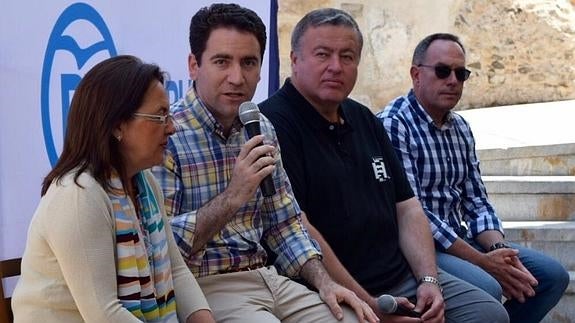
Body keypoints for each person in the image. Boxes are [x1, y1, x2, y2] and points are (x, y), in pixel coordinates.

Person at [260, 8, 509, 323]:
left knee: (488, 314)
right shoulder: (274, 124)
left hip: (400, 276)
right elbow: (299, 227)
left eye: (347, 57)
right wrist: (372, 306)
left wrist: (428, 281)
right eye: (323, 54)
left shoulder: (363, 117)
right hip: (334, 290)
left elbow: (407, 207)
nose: (336, 67)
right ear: (295, 60)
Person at [151, 3, 377, 323]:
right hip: (206, 285)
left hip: (269, 278)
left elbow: (284, 224)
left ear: (261, 69)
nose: (236, 77)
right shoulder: (167, 134)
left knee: (353, 319)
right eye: (222, 62)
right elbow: (162, 248)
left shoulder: (260, 127)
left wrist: (326, 284)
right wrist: (234, 196)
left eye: (248, 63)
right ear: (193, 65)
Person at [377, 33, 569, 323]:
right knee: (487, 286)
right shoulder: (394, 124)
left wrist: (499, 251)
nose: (453, 80)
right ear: (416, 74)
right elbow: (414, 213)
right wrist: (482, 262)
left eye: (461, 73)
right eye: (442, 71)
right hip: (421, 249)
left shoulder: (460, 127)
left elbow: (477, 200)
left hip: (463, 240)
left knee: (552, 277)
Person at [11, 55, 214, 322]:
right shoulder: (78, 194)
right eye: (160, 116)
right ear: (118, 125)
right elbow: (103, 314)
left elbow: (176, 271)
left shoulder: (144, 183)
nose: (172, 128)